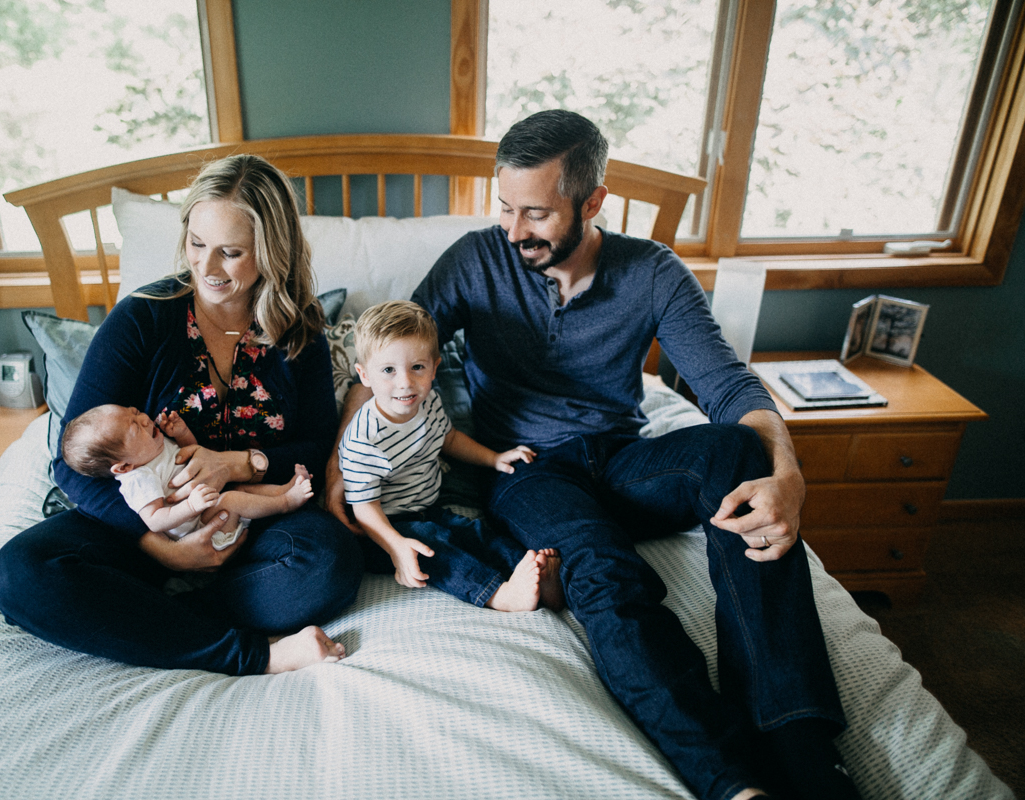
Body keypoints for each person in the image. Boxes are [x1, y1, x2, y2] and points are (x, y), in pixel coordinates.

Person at [327, 111, 860, 800]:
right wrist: (343, 460)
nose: (515, 230)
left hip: (620, 460)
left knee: (740, 452)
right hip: (529, 474)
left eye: (537, 214)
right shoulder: (476, 259)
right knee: (605, 573)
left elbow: (725, 383)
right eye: (506, 209)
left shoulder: (653, 272)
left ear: (593, 203)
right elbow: (381, 357)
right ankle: (732, 781)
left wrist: (787, 473)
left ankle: (799, 744)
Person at [0, 154, 362, 676]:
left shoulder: (300, 333)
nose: (206, 268)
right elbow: (71, 463)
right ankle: (249, 652)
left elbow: (316, 445)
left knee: (327, 565)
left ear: (271, 252)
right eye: (196, 244)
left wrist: (236, 464)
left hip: (252, 525)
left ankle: (141, 622)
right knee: (20, 573)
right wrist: (164, 551)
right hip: (143, 528)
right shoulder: (142, 319)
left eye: (230, 253)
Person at [339, 300, 562, 612]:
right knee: (437, 551)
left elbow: (449, 438)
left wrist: (494, 458)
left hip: (428, 509)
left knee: (475, 533)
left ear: (434, 367)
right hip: (382, 532)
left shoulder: (428, 401)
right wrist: (395, 545)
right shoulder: (364, 438)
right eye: (388, 370)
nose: (405, 382)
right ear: (364, 375)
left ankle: (539, 575)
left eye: (417, 367)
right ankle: (500, 595)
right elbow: (364, 510)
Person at [62, 404, 315, 543]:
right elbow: (155, 520)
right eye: (134, 426)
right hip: (202, 533)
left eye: (135, 412)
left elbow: (192, 455)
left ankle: (287, 489)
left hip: (208, 508)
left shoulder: (153, 448)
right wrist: (190, 506)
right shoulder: (137, 479)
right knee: (231, 499)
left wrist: (181, 433)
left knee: (239, 490)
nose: (144, 419)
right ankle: (285, 503)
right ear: (123, 467)